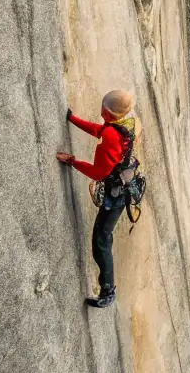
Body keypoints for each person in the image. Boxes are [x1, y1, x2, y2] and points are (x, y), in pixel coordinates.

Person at [56, 90, 137, 309]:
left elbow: (99, 173)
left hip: (116, 197)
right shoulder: (126, 125)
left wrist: (73, 161)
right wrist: (72, 119)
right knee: (104, 238)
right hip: (124, 188)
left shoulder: (112, 135)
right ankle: (108, 289)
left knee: (101, 241)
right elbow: (99, 130)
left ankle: (108, 291)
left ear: (107, 112)